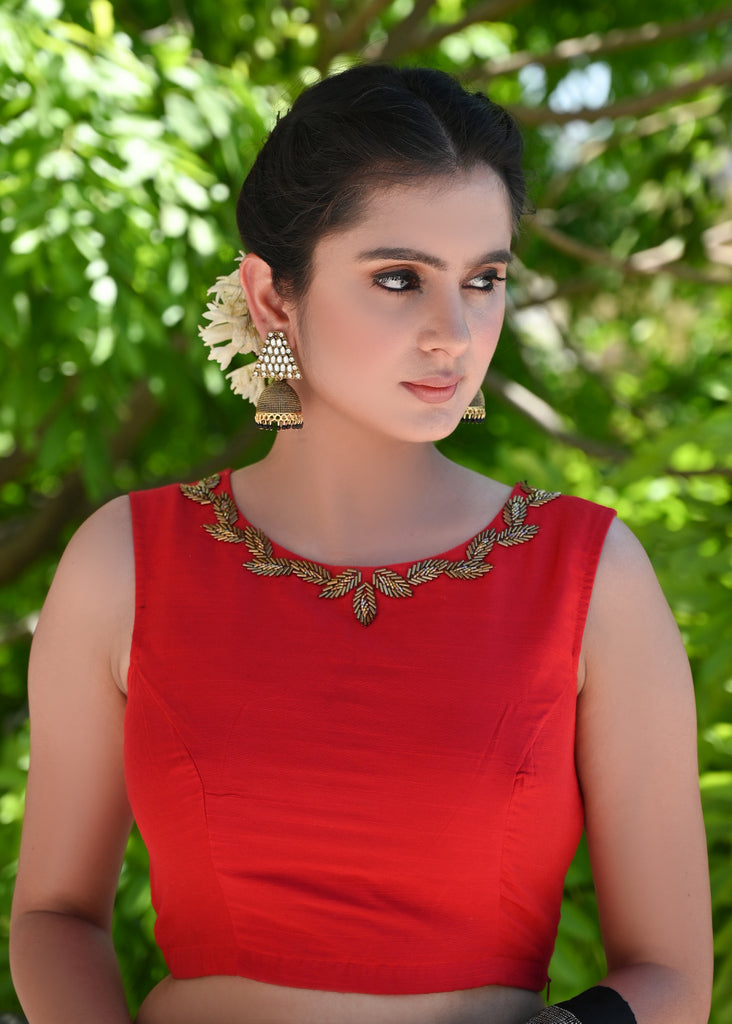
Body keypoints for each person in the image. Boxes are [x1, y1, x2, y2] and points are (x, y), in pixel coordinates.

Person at [9, 64, 712, 1024]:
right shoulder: (127, 561)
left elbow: (671, 975)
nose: (454, 334)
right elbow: (53, 915)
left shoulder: (589, 575)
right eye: (398, 278)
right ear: (272, 297)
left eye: (485, 280)